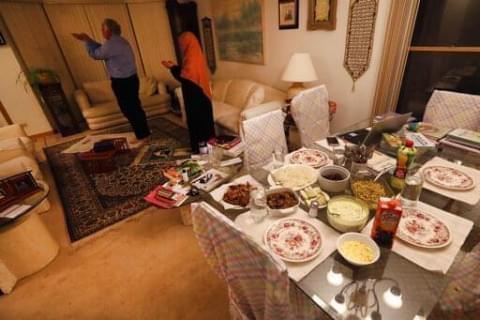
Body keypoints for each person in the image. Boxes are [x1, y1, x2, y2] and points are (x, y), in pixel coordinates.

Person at [72, 18, 150, 143]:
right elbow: (101, 49)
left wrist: (86, 40)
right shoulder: (120, 41)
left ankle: (142, 135)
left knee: (129, 109)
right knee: (135, 107)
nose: (102, 32)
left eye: (102, 29)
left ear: (108, 30)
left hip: (123, 83)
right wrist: (89, 40)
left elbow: (96, 55)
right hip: (131, 80)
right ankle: (144, 133)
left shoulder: (112, 44)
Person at [162, 32, 215, 153]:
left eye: (182, 44)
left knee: (198, 124)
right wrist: (175, 66)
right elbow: (187, 73)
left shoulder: (191, 57)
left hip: (196, 97)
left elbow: (185, 77)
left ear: (188, 43)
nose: (181, 47)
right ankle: (207, 149)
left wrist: (172, 67)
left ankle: (201, 150)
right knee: (204, 124)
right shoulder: (194, 54)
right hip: (199, 95)